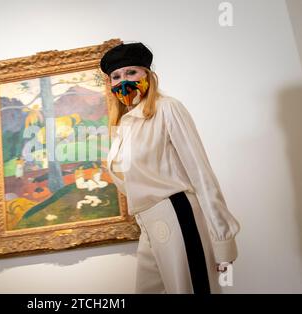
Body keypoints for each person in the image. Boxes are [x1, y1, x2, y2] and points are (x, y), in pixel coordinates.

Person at [100, 42, 240, 294]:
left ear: (148, 75)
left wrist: (223, 239)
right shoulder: (125, 125)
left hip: (177, 213)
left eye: (131, 72)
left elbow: (201, 173)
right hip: (148, 224)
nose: (124, 81)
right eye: (116, 76)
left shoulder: (167, 109)